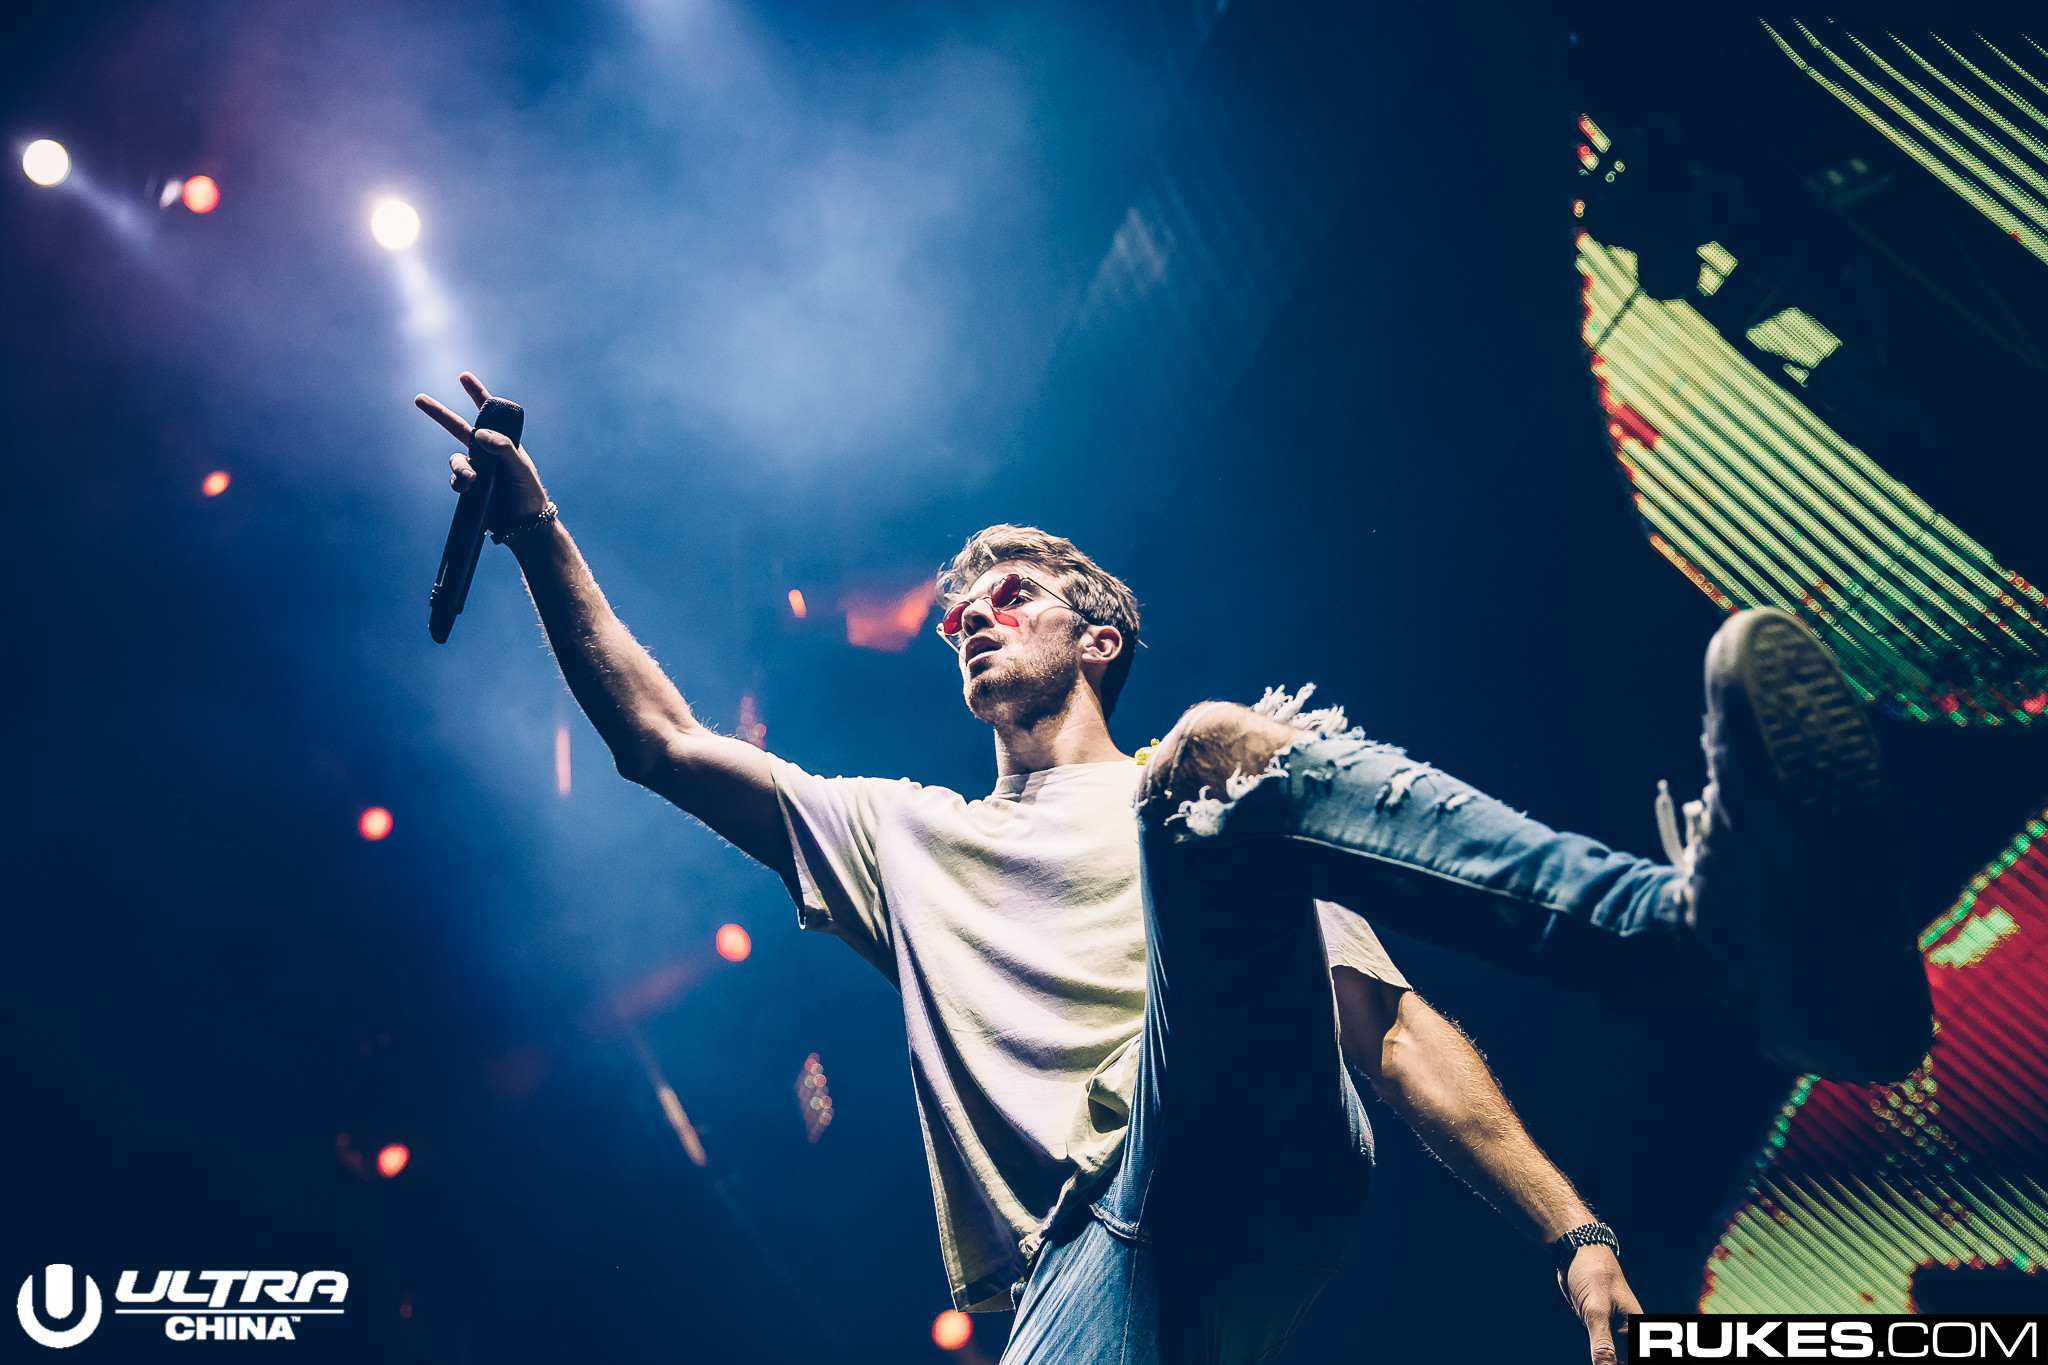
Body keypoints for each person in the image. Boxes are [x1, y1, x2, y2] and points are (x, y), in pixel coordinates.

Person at [415, 373, 1933, 1365]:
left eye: (1006, 592)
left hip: (1242, 1161)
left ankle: (1702, 943)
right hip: (1077, 1284)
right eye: (954, 608)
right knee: (1217, 782)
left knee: (1222, 766)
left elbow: (1388, 1032)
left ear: (1098, 636)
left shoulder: (1210, 817)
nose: (967, 613)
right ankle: (1709, 949)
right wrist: (539, 530)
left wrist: (1575, 1229)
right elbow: (664, 741)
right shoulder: (902, 836)